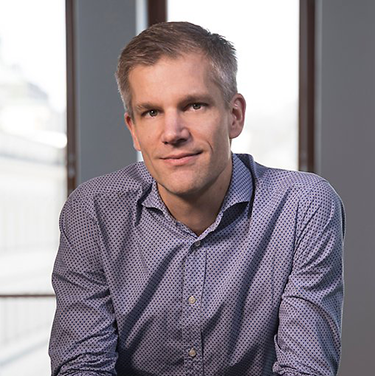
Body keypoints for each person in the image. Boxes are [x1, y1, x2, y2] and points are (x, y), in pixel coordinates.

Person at [49, 22, 345, 376]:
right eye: (152, 112)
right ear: (134, 130)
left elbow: (305, 369)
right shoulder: (93, 212)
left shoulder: (303, 207)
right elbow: (83, 367)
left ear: (234, 116)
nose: (172, 133)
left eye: (193, 105)